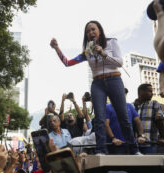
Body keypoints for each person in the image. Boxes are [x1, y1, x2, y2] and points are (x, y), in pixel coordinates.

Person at [50, 20, 140, 155]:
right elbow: (68, 63)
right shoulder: (87, 52)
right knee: (99, 119)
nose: (91, 33)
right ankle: (101, 150)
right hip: (97, 84)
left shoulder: (111, 42)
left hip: (114, 79)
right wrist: (57, 48)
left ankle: (134, 149)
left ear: (100, 30)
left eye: (93, 29)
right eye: (88, 31)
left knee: (123, 116)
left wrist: (103, 53)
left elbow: (120, 62)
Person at [106, 88, 146, 154]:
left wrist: (140, 135)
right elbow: (106, 125)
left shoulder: (129, 106)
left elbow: (138, 122)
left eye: (124, 94)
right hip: (115, 144)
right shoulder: (108, 107)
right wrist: (113, 138)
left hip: (130, 144)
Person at [134, 84, 164, 154]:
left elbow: (161, 121)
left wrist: (162, 138)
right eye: (150, 91)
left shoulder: (155, 104)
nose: (152, 94)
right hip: (133, 145)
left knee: (149, 164)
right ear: (141, 92)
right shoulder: (131, 106)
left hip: (150, 144)